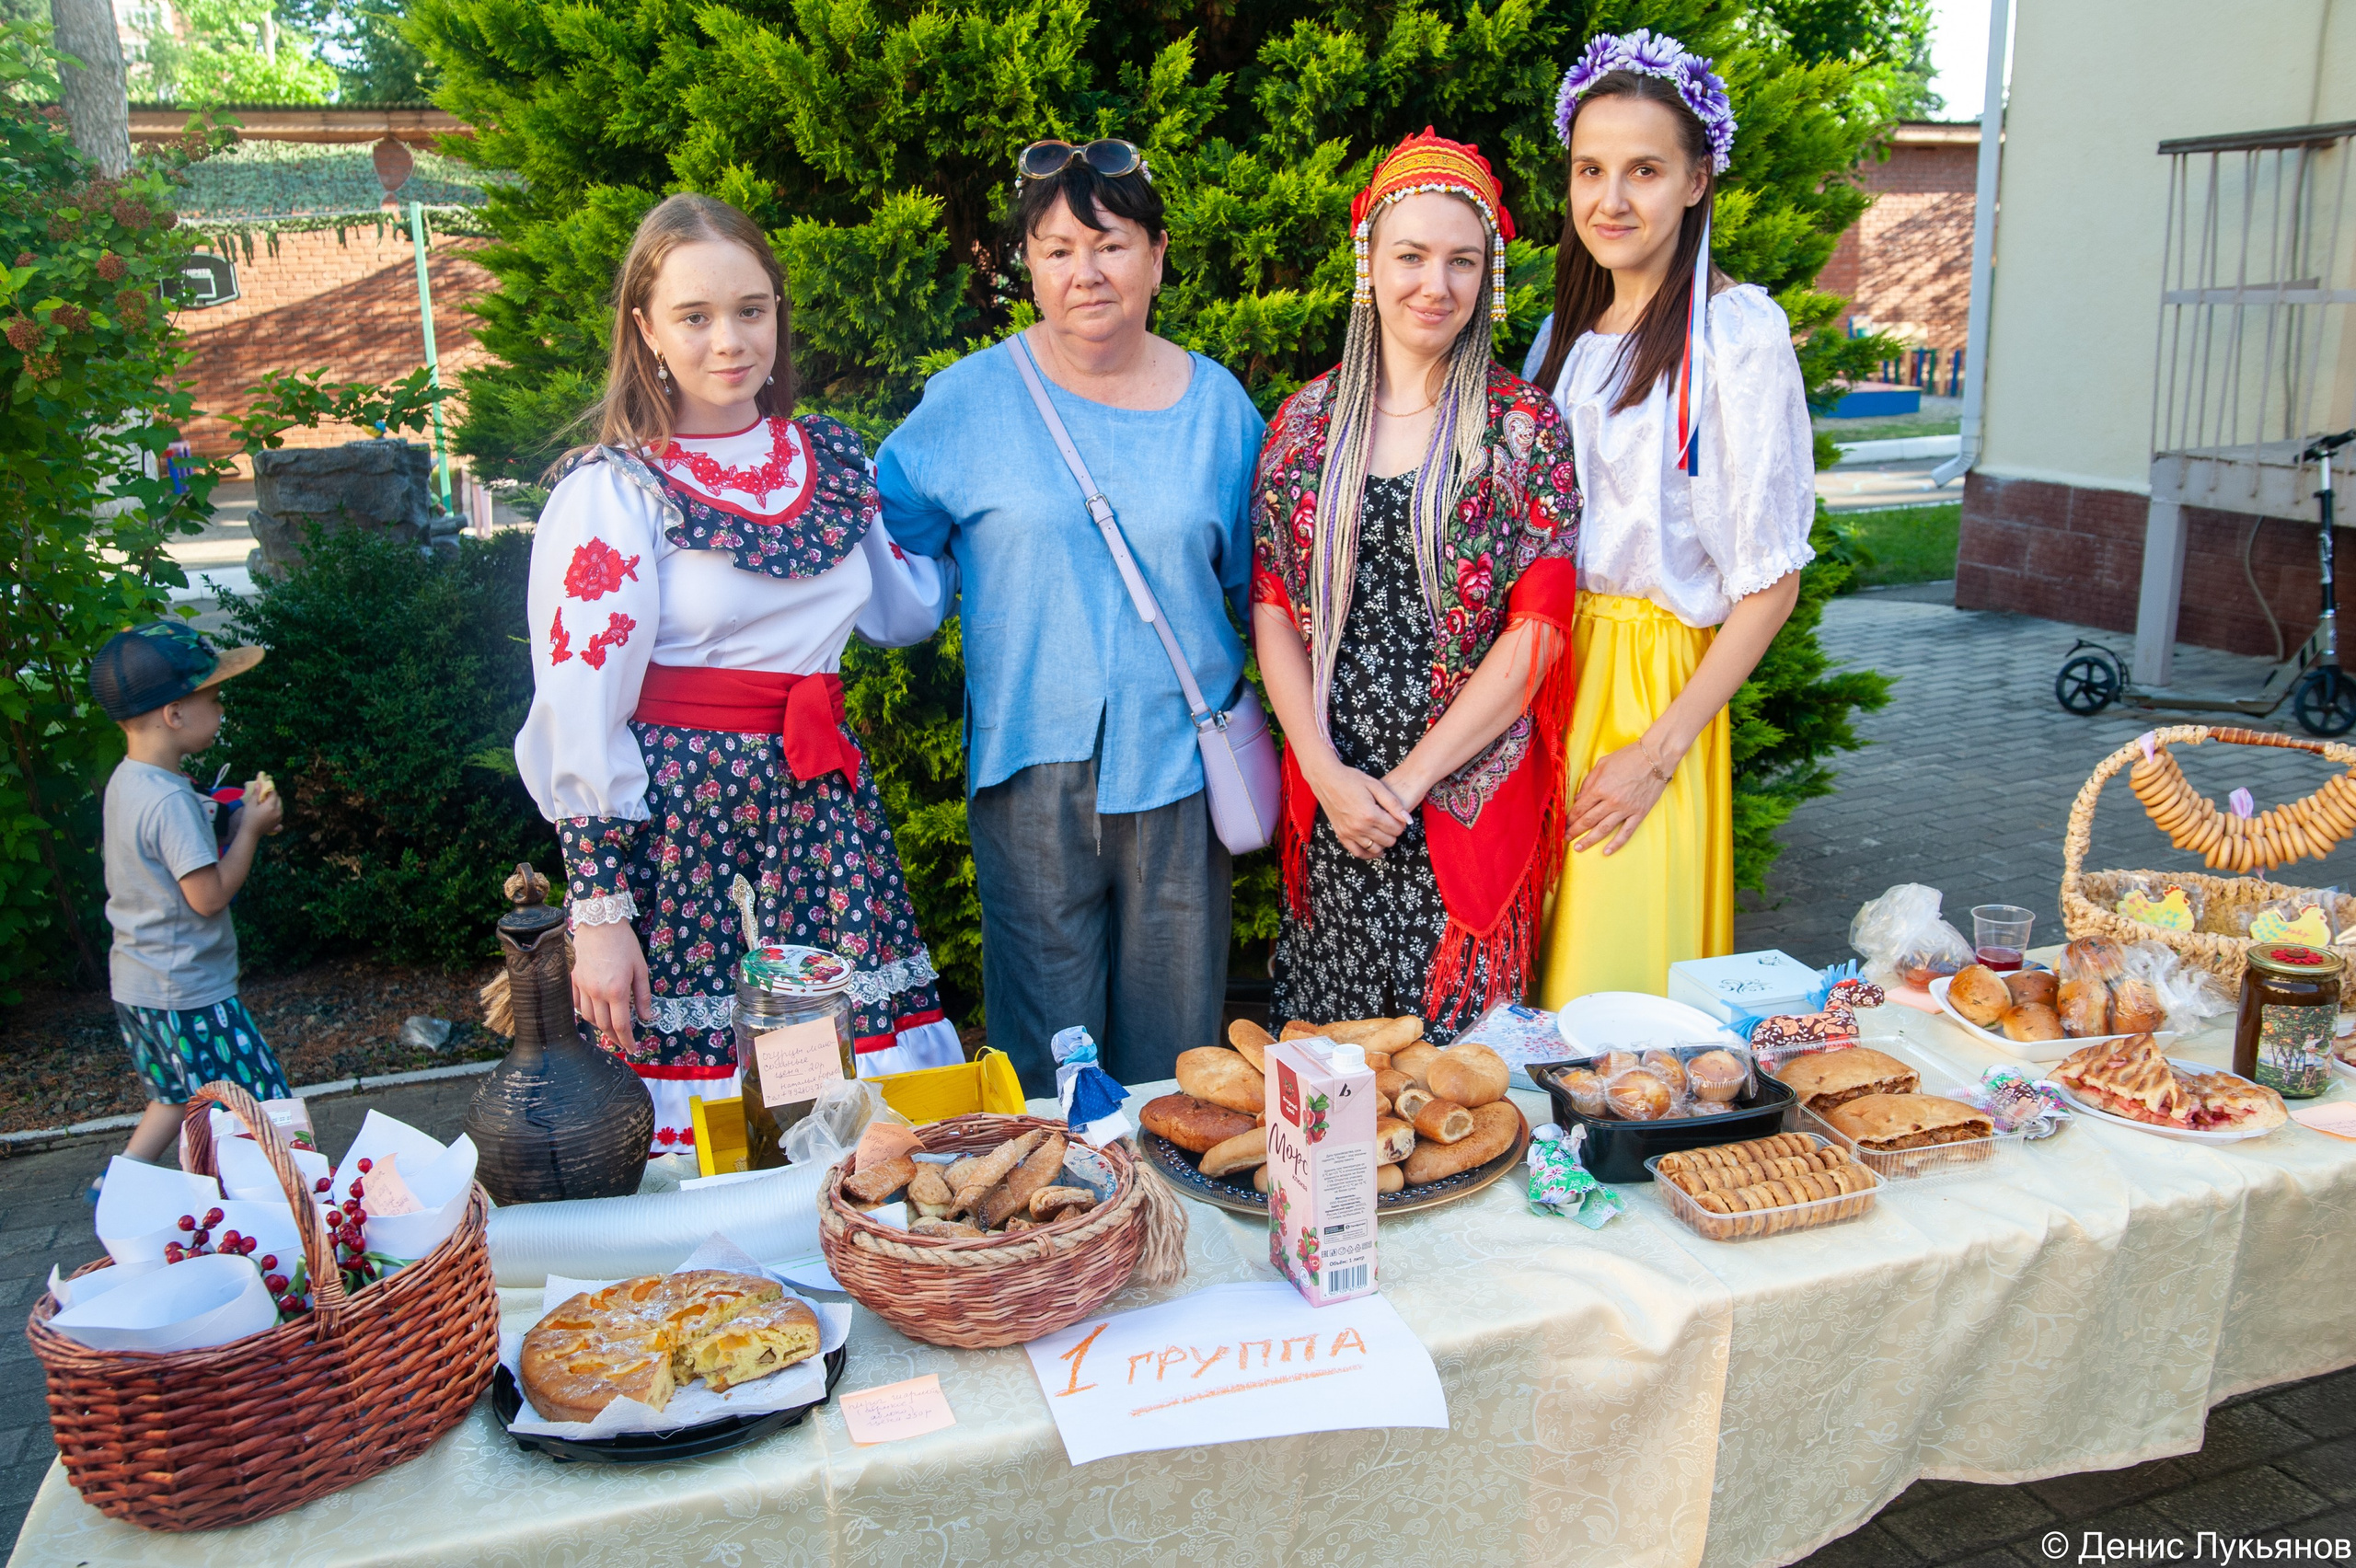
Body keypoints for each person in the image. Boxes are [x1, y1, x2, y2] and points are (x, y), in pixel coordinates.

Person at [515, 192, 962, 1155]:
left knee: (839, 1098)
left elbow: (897, 608)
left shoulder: (831, 458)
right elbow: (579, 710)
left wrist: (988, 525)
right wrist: (597, 913)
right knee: (728, 1111)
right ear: (645, 329)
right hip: (687, 841)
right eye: (695, 316)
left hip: (823, 815)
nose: (731, 341)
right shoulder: (612, 492)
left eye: (752, 310)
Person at [876, 139, 1265, 1094]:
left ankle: (1171, 1236)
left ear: (1158, 254)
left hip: (1181, 769)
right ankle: (1058, 1236)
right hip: (1027, 772)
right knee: (1047, 1060)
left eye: (1110, 244)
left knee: (1177, 1060)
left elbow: (1265, 591)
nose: (1084, 272)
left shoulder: (1218, 407)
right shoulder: (966, 402)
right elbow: (887, 535)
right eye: (1055, 249)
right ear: (1029, 269)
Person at [1251, 130, 1582, 1041]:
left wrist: (1402, 786)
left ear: (1489, 277)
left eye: (1460, 261)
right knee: (1330, 1094)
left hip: (1458, 804)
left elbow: (1539, 631)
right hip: (1336, 809)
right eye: (1411, 256)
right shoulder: (1306, 425)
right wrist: (1326, 773)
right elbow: (1273, 607)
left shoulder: (1523, 429)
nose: (1434, 285)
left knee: (1461, 1100)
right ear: (1370, 263)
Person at [1525, 31, 1815, 1003]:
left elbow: (1770, 584)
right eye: (1590, 169)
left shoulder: (1735, 336)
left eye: (1643, 170)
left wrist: (1655, 756)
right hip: (1544, 680)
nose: (1611, 199)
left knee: (1609, 1000)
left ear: (1696, 180)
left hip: (1649, 690)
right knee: (1528, 979)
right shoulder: (1565, 334)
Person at [92, 621, 292, 1180]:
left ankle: (123, 1181)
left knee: (176, 1094)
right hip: (190, 994)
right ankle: (281, 1195)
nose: (221, 710)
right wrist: (249, 828)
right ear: (175, 714)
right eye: (214, 698)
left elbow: (162, 855)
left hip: (140, 981)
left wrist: (226, 814)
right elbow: (208, 896)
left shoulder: (133, 782)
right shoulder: (169, 804)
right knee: (264, 1106)